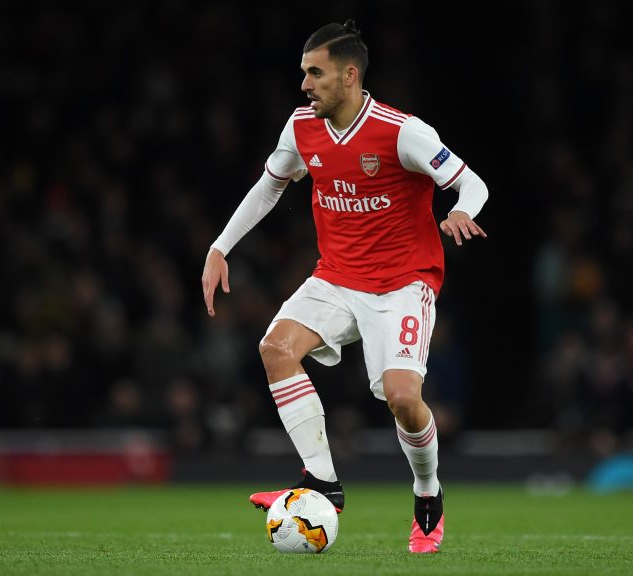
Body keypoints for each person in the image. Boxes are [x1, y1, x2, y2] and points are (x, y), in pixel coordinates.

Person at [200, 19, 488, 554]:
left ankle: (427, 492)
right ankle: (323, 483)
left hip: (404, 283)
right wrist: (220, 247)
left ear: (350, 75)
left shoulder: (402, 132)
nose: (305, 84)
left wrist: (461, 211)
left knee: (403, 398)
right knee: (276, 349)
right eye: (303, 73)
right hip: (336, 276)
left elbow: (472, 182)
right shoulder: (301, 127)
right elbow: (270, 186)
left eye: (316, 73)